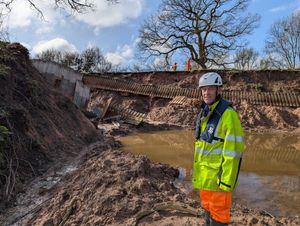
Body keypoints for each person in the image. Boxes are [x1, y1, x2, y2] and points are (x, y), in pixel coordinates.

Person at [192, 72, 245, 226]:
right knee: (207, 213)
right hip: (205, 179)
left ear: (218, 90)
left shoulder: (228, 115)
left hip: (219, 180)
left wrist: (227, 183)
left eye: (210, 89)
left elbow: (233, 152)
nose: (206, 93)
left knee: (219, 218)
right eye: (203, 89)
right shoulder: (205, 113)